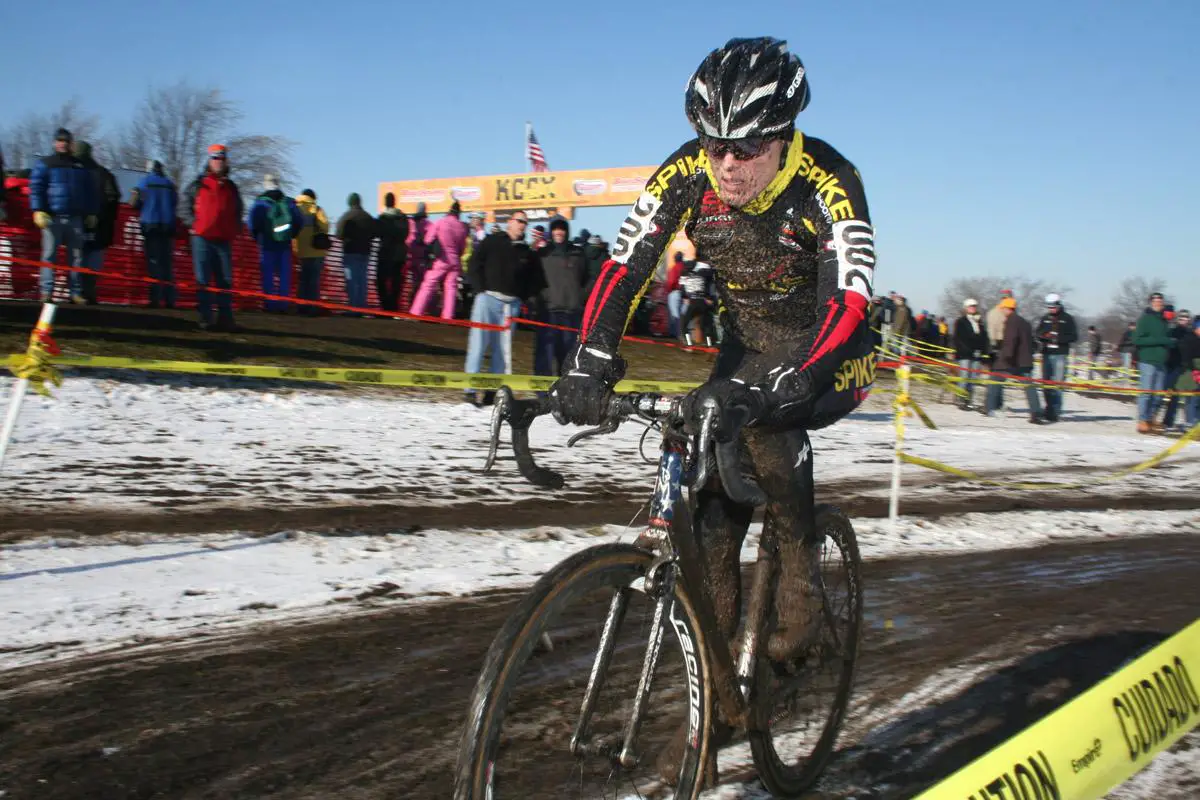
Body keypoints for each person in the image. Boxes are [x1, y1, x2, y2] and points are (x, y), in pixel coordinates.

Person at [548, 37, 878, 778]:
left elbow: (850, 296)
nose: (727, 163)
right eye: (715, 144)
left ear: (785, 133)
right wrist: (590, 359)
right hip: (745, 346)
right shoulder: (686, 172)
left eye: (748, 146)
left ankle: (801, 592)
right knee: (706, 505)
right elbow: (626, 261)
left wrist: (796, 378)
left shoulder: (831, 179)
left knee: (767, 428)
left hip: (833, 346)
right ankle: (713, 698)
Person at [463, 211, 545, 405]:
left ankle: (493, 391)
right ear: (510, 222)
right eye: (519, 221)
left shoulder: (526, 251)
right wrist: (480, 290)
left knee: (502, 350)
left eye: (525, 222)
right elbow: (474, 263)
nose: (522, 225)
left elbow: (534, 280)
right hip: (487, 299)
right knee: (478, 345)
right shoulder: (492, 241)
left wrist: (522, 298)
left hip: (511, 305)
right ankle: (470, 391)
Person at [29, 128, 96, 303]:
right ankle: (46, 291)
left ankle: (75, 292)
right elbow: (36, 188)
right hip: (52, 216)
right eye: (60, 140)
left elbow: (89, 192)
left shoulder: (79, 166)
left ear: (70, 143)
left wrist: (90, 212)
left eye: (66, 140)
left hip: (75, 218)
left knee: (76, 257)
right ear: (54, 142)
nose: (63, 143)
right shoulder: (45, 164)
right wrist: (38, 210)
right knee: (49, 255)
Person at [183, 144, 243, 331]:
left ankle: (225, 317)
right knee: (203, 279)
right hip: (202, 238)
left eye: (222, 158)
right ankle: (205, 317)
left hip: (224, 239)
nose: (219, 162)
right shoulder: (198, 184)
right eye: (215, 158)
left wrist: (235, 227)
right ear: (210, 160)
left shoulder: (231, 187)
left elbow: (239, 209)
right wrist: (192, 224)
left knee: (225, 280)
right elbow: (184, 206)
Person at [532, 216, 588, 379]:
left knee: (570, 358)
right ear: (551, 231)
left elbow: (589, 277)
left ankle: (566, 394)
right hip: (549, 313)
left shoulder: (577, 254)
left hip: (572, 313)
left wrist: (581, 295)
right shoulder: (543, 254)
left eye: (561, 229)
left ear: (566, 231)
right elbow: (534, 279)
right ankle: (543, 395)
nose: (559, 232)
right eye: (555, 229)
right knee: (545, 355)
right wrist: (540, 298)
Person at [73, 141, 120, 305]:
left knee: (78, 257)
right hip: (100, 226)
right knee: (92, 259)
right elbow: (113, 198)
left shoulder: (77, 172)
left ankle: (78, 292)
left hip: (82, 223)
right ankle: (88, 291)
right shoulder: (104, 174)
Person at [248, 174, 303, 312]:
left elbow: (253, 224)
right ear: (278, 184)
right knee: (285, 275)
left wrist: (257, 238)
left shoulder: (260, 203)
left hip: (267, 244)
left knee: (268, 275)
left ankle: (270, 304)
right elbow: (299, 221)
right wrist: (291, 235)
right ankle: (284, 304)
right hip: (284, 244)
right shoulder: (289, 202)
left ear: (265, 184)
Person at [987, 297, 1045, 424]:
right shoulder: (1024, 322)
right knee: (1029, 386)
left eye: (1002, 308)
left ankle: (990, 408)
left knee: (995, 380)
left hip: (1012, 361)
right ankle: (1036, 411)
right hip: (1025, 360)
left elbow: (1010, 341)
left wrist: (1004, 357)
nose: (1001, 311)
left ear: (1007, 308)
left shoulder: (1011, 321)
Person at [130, 160, 179, 308]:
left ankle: (155, 298)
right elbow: (175, 202)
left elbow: (133, 203)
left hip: (150, 225)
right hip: (168, 226)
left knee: (153, 262)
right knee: (167, 264)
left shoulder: (144, 182)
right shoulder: (169, 184)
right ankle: (170, 299)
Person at [411, 200, 469, 319]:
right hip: (455, 261)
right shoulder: (462, 227)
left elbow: (428, 240)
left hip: (442, 259)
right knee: (451, 287)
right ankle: (448, 316)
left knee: (428, 284)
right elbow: (462, 248)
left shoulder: (441, 222)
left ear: (449, 211)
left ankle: (416, 312)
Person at [1133, 292, 1174, 434]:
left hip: (1162, 361)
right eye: (1156, 301)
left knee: (1158, 394)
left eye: (1160, 301)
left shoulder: (1165, 320)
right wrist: (1160, 341)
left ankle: (1152, 418)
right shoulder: (1145, 319)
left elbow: (1166, 338)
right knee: (1147, 392)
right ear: (1151, 303)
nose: (1158, 303)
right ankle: (1143, 420)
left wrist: (1170, 342)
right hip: (1148, 360)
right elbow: (1137, 340)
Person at [1033, 292, 1078, 422]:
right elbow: (1038, 333)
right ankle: (1048, 408)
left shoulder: (1067, 318)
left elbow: (1074, 336)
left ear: (1059, 305)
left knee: (1058, 383)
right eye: (1049, 307)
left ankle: (1056, 410)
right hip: (1047, 354)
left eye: (1053, 307)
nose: (1051, 309)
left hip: (1060, 354)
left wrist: (1058, 338)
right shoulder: (1045, 318)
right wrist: (1044, 336)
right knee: (1046, 382)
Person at [335, 193, 376, 312]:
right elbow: (374, 233)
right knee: (363, 279)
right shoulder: (367, 216)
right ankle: (362, 306)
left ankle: (353, 307)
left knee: (351, 280)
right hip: (365, 252)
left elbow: (339, 234)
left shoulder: (347, 216)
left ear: (350, 202)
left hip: (350, 251)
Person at [293, 189, 330, 315]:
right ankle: (312, 308)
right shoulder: (317, 208)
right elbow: (325, 226)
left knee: (303, 280)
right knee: (314, 281)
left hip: (300, 250)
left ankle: (300, 307)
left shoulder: (295, 208)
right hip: (317, 251)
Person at [375, 192, 409, 311]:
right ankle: (394, 306)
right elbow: (406, 234)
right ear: (395, 202)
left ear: (385, 202)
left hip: (386, 253)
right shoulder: (403, 217)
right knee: (397, 281)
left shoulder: (382, 218)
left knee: (381, 280)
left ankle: (385, 306)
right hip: (400, 254)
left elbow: (378, 234)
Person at [953, 298, 989, 409]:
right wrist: (968, 349)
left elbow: (983, 338)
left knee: (973, 378)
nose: (973, 308)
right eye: (970, 306)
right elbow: (960, 338)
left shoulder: (979, 322)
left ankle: (969, 399)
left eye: (974, 306)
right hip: (965, 354)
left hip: (976, 355)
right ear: (966, 308)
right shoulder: (960, 322)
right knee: (964, 377)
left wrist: (984, 352)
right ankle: (960, 400)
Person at [1162, 309, 1192, 432]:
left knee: (1179, 396)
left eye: (1185, 319)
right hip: (1171, 366)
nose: (1183, 321)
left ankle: (1171, 421)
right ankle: (1162, 420)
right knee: (1165, 394)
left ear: (1188, 320)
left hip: (1184, 367)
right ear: (1177, 319)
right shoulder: (1172, 331)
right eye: (1181, 318)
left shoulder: (1190, 333)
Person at [677, 257, 717, 346]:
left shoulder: (684, 274)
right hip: (703, 302)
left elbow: (682, 289)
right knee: (706, 324)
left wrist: (685, 297)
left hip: (692, 302)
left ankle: (688, 343)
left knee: (684, 323)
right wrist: (708, 297)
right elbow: (708, 284)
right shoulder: (702, 273)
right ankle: (710, 344)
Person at [404, 203, 430, 311]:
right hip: (421, 258)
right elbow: (429, 241)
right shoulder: (428, 224)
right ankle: (418, 307)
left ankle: (411, 306)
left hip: (410, 256)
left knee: (411, 282)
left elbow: (408, 239)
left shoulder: (410, 222)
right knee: (420, 284)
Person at [1176, 319, 1200, 430]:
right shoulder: (1188, 339)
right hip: (1190, 373)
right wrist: (1193, 370)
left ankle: (1196, 421)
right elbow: (1186, 356)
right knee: (1191, 399)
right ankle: (1190, 421)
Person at [665, 251, 686, 338]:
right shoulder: (686, 268)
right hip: (686, 294)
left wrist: (669, 291)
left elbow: (671, 282)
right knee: (682, 314)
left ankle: (675, 333)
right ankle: (681, 333)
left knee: (674, 314)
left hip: (675, 292)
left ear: (675, 259)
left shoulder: (674, 268)